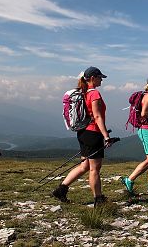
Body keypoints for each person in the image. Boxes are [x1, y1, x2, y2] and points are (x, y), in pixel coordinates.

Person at [52, 66, 112, 206]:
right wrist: (106, 136)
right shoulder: (94, 94)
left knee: (84, 166)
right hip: (93, 133)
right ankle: (98, 199)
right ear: (92, 78)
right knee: (94, 168)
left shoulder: (82, 93)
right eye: (99, 77)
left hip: (83, 132)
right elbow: (97, 116)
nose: (101, 80)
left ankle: (61, 189)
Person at [121, 75, 148, 194]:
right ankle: (129, 180)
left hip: (146, 128)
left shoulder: (146, 95)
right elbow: (144, 113)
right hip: (145, 130)